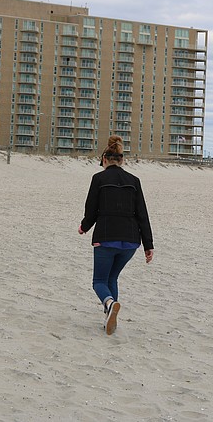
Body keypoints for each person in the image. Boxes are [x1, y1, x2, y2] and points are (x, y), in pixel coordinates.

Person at [78, 135, 154, 335]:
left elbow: (91, 210)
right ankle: (110, 318)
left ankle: (110, 304)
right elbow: (142, 214)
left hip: (106, 237)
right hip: (131, 241)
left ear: (104, 159)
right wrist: (148, 245)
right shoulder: (134, 180)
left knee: (99, 282)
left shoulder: (98, 178)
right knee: (112, 278)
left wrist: (84, 227)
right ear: (122, 160)